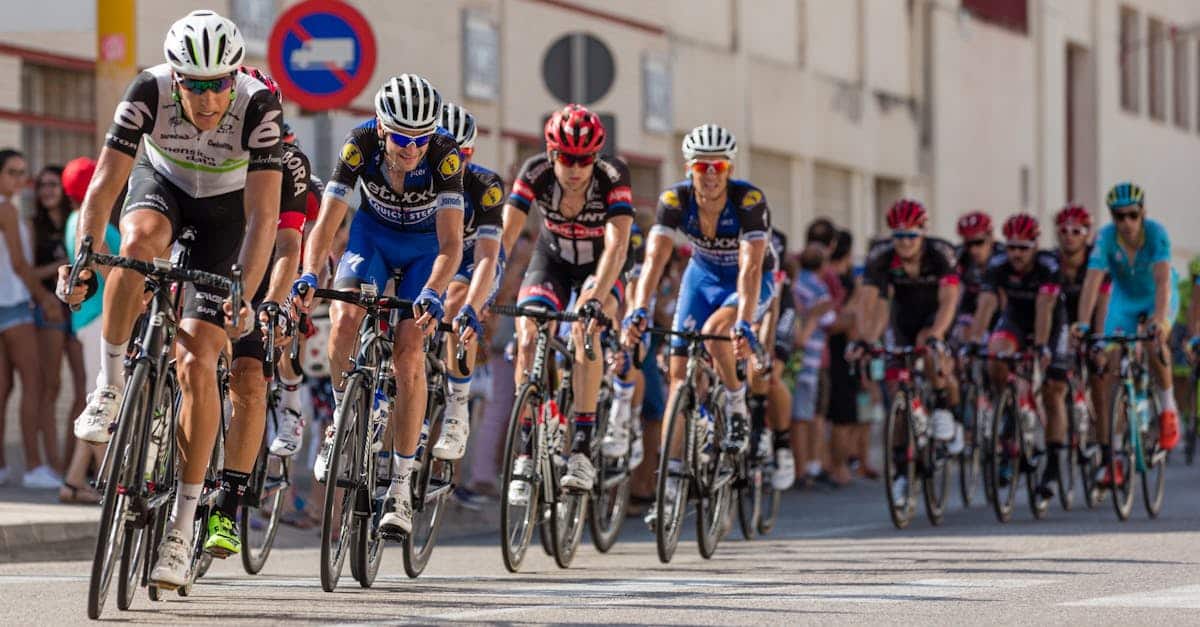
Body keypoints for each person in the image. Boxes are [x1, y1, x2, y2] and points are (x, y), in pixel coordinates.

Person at [57, 10, 283, 588]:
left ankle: (183, 527)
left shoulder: (258, 106)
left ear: (235, 76)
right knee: (136, 242)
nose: (208, 99)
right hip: (164, 188)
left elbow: (263, 217)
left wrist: (245, 291)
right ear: (175, 76)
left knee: (196, 360)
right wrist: (85, 256)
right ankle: (108, 388)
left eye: (219, 84)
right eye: (195, 84)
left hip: (227, 217)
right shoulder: (147, 90)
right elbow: (105, 183)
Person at [295, 73, 464, 537]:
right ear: (381, 126)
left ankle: (403, 487)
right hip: (373, 237)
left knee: (409, 352)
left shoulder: (446, 156)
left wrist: (432, 291)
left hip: (425, 249)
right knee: (345, 314)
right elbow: (326, 225)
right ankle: (340, 420)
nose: (411, 149)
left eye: (421, 139)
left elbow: (452, 243)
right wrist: (311, 273)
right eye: (401, 138)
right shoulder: (359, 144)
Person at [624, 123, 769, 520]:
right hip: (701, 279)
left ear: (729, 168)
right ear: (689, 167)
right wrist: (639, 307)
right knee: (676, 380)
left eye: (718, 167)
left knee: (715, 332)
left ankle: (737, 407)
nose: (709, 176)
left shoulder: (749, 200)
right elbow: (654, 261)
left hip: (745, 281)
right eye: (701, 167)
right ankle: (669, 489)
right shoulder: (675, 198)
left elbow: (751, 267)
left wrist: (745, 320)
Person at [202, 66, 312, 557]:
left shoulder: (289, 161)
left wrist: (274, 302)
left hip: (262, 269)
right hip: (206, 258)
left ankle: (227, 506)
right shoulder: (199, 141)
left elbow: (289, 244)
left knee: (248, 377)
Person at [502, 104, 633, 494]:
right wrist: (486, 282)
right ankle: (526, 449)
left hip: (602, 267)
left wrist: (596, 295)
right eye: (565, 158)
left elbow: (617, 245)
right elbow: (506, 236)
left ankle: (581, 447)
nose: (575, 169)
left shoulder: (613, 175)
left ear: (595, 157)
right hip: (552, 262)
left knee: (585, 329)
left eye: (584, 159)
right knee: (527, 336)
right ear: (551, 153)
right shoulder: (535, 172)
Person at [856, 199, 961, 505]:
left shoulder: (941, 253)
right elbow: (867, 300)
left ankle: (943, 407)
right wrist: (864, 339)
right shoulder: (880, 255)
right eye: (898, 236)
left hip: (936, 317)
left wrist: (937, 335)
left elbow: (949, 300)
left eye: (911, 236)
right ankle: (902, 471)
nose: (904, 242)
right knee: (895, 388)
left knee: (930, 350)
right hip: (902, 317)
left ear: (923, 233)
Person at [1075, 182, 1180, 488]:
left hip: (1155, 296)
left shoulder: (1157, 234)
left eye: (1133, 215)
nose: (1127, 223)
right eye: (1119, 217)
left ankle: (1168, 408)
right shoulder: (1106, 238)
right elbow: (1092, 282)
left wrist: (1160, 321)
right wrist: (1083, 324)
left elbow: (1162, 282)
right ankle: (1115, 458)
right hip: (1124, 300)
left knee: (1152, 342)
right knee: (1108, 367)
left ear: (1143, 213)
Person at [969, 214, 1066, 498]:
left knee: (1053, 389)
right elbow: (986, 303)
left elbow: (1045, 306)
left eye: (1023, 248)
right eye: (1011, 247)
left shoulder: (1049, 265)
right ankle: (1008, 409)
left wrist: (1042, 345)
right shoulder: (997, 265)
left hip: (1049, 321)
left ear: (1035, 245)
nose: (1016, 254)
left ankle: (1053, 466)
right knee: (994, 356)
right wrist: (975, 339)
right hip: (1015, 320)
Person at [431, 101, 504, 462]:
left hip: (476, 259)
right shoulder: (417, 175)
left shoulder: (485, 184)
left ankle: (456, 406)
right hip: (433, 257)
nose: (453, 163)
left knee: (456, 302)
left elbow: (488, 255)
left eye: (464, 154)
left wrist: (475, 305)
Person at [57, 157, 119, 504]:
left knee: (96, 398)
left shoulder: (73, 218)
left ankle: (73, 479)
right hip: (101, 315)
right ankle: (110, 482)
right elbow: (105, 262)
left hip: (88, 317)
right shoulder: (91, 218)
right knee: (100, 401)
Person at [0, 150, 54, 489]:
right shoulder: (6, 208)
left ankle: (3, 466)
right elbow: (19, 265)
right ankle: (34, 466)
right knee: (34, 383)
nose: (21, 179)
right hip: (16, 305)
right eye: (12, 172)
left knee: (2, 390)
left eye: (23, 171)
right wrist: (45, 298)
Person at [30, 165, 88, 479]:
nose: (47, 191)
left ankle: (71, 464)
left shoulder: (74, 222)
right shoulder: (33, 226)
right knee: (51, 387)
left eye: (53, 184)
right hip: (51, 313)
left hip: (78, 313)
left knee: (83, 389)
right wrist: (57, 268)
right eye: (42, 186)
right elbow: (27, 272)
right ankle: (50, 464)